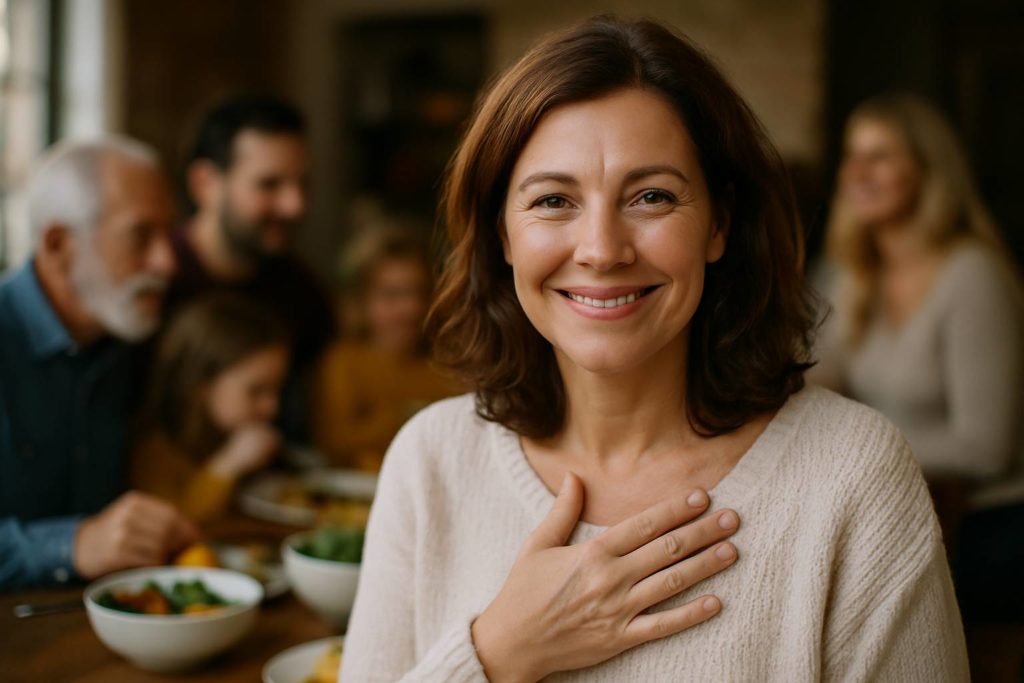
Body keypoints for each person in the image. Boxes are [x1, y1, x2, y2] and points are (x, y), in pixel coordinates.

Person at [341, 17, 968, 681]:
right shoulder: (429, 461)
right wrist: (495, 653)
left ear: (718, 223)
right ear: (503, 233)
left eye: (651, 196)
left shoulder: (852, 477)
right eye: (554, 199)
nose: (603, 249)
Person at [810, 93, 1024, 622]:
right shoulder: (851, 271)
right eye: (850, 155)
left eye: (880, 155)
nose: (857, 172)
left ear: (929, 170)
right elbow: (814, 380)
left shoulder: (972, 274)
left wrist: (853, 446)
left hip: (990, 521)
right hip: (903, 499)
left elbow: (986, 448)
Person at [0, 138, 199, 591]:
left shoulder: (126, 333)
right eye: (140, 236)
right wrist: (74, 544)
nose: (167, 262)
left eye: (168, 233)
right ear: (58, 244)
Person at [170, 94, 336, 441]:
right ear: (205, 184)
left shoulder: (303, 293)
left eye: (303, 183)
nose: (295, 205)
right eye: (269, 185)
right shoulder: (160, 282)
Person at [131, 295, 290, 524]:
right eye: (256, 391)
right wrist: (228, 465)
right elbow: (174, 524)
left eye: (277, 389)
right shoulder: (156, 448)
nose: (272, 406)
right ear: (201, 385)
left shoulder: (233, 435)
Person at [314, 227, 461, 471]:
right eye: (392, 295)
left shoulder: (451, 363)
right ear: (361, 300)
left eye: (420, 292)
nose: (412, 308)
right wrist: (401, 416)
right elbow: (334, 445)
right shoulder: (343, 362)